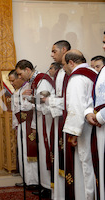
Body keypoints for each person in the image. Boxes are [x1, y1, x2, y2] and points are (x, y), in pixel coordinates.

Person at [16, 59, 55, 198]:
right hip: (40, 119)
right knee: (42, 153)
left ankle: (50, 187)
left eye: (20, 74)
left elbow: (44, 99)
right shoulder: (35, 81)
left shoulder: (42, 79)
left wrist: (30, 99)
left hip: (47, 119)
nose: (19, 77)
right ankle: (44, 185)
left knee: (46, 153)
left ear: (27, 69)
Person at [62, 49, 97, 200]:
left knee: (86, 163)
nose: (63, 69)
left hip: (86, 128)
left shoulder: (77, 78)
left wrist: (73, 133)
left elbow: (76, 106)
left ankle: (89, 196)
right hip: (96, 125)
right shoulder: (93, 73)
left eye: (64, 65)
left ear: (71, 62)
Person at [47, 40, 70, 200]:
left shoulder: (70, 71)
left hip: (67, 121)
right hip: (59, 120)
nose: (52, 54)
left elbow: (68, 100)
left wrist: (50, 101)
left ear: (64, 50)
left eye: (54, 51)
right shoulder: (61, 72)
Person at [9, 70, 39, 189]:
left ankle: (34, 181)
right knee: (22, 152)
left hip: (28, 123)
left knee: (30, 153)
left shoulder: (28, 87)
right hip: (21, 125)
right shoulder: (17, 91)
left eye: (13, 80)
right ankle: (26, 179)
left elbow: (30, 106)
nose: (11, 83)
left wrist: (21, 98)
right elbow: (14, 109)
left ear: (20, 78)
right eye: (10, 81)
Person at [84, 33, 105, 200]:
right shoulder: (103, 72)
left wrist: (100, 117)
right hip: (101, 127)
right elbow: (94, 96)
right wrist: (89, 112)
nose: (103, 46)